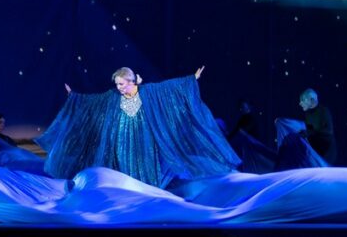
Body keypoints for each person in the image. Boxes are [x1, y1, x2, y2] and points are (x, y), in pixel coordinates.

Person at [36, 66, 241, 188]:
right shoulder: (113, 97)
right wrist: (74, 97)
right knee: (124, 172)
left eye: (121, 84)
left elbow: (169, 89)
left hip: (144, 142)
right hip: (121, 143)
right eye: (117, 84)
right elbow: (93, 102)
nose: (118, 88)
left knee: (146, 169)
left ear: (131, 81)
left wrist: (192, 79)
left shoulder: (148, 92)